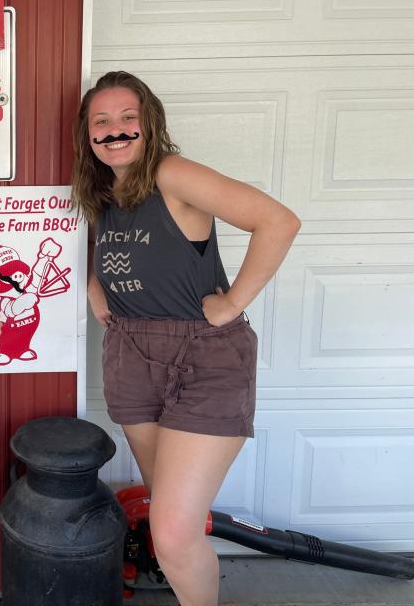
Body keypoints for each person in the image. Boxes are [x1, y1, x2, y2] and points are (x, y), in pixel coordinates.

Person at [72, 71, 300, 606]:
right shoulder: (102, 190)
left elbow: (277, 221)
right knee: (174, 521)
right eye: (100, 122)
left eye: (128, 118)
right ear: (87, 134)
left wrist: (233, 302)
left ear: (150, 123)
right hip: (132, 355)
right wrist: (95, 289)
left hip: (204, 358)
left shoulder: (171, 174)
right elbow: (104, 254)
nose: (114, 131)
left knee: (172, 533)